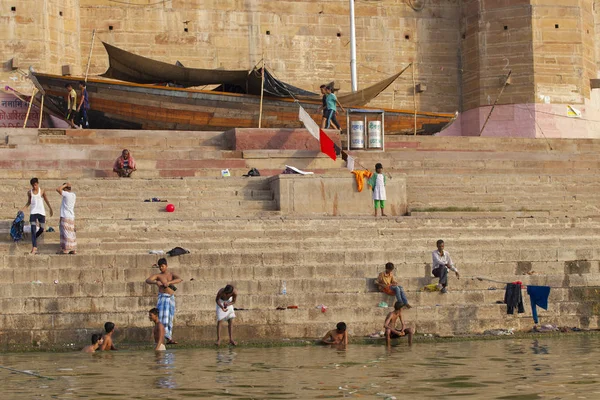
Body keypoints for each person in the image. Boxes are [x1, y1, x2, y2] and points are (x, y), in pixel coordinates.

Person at [145, 258, 182, 345]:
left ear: (166, 266)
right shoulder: (158, 275)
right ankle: (161, 338)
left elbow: (179, 279)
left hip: (170, 298)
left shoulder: (171, 274)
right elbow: (148, 280)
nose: (161, 268)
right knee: (161, 317)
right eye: (160, 266)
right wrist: (156, 282)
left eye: (163, 266)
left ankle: (169, 338)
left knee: (169, 318)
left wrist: (169, 283)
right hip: (162, 298)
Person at [22, 178, 53, 255]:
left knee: (42, 229)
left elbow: (46, 200)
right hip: (33, 213)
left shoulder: (42, 191)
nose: (34, 186)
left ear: (38, 183)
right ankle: (34, 247)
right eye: (33, 185)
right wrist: (23, 209)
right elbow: (29, 202)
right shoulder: (29, 192)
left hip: (41, 213)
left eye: (35, 185)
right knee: (33, 229)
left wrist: (50, 208)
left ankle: (33, 239)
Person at [56, 182, 77, 254]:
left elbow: (58, 189)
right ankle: (73, 249)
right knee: (71, 233)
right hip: (71, 217)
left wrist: (65, 185)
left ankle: (66, 249)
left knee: (66, 233)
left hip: (66, 216)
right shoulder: (73, 195)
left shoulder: (67, 194)